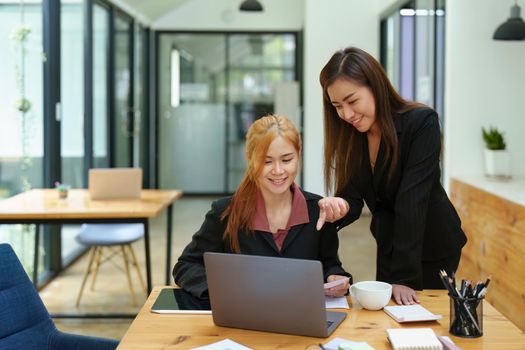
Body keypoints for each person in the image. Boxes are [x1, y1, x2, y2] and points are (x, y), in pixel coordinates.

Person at [316, 47, 467, 305]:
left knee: (422, 319)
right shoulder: (353, 137)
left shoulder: (421, 123)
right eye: (338, 106)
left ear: (375, 87)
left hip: (431, 242)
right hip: (389, 242)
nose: (346, 114)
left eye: (352, 101)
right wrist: (339, 207)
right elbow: (353, 197)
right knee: (389, 317)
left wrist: (404, 277)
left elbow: (413, 200)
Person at [173, 114, 351, 299]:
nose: (278, 170)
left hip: (300, 322)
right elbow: (186, 266)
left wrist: (335, 278)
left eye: (286, 160)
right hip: (242, 322)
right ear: (250, 158)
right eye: (267, 161)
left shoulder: (319, 211)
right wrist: (223, 291)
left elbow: (330, 264)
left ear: (298, 155)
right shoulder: (225, 212)